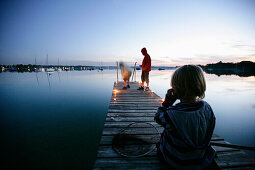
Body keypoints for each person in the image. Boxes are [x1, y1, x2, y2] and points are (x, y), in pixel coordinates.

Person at [154, 65, 216, 169]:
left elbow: (158, 117)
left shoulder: (171, 113)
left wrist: (167, 103)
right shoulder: (207, 108)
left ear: (176, 88)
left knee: (161, 143)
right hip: (201, 158)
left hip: (176, 161)